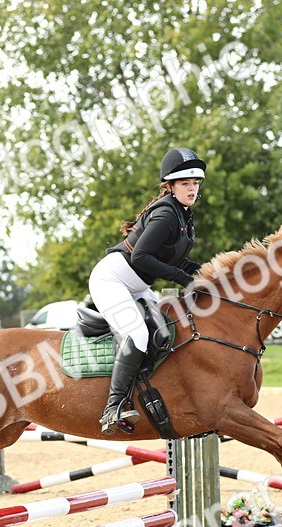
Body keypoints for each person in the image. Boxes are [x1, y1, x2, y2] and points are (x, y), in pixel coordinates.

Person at [90, 147, 205, 434]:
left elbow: (177, 260)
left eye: (195, 184)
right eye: (185, 184)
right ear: (171, 186)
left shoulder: (183, 215)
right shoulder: (167, 214)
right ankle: (113, 408)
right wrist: (183, 279)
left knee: (166, 330)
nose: (192, 189)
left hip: (137, 285)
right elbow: (141, 256)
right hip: (112, 280)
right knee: (138, 333)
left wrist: (208, 273)